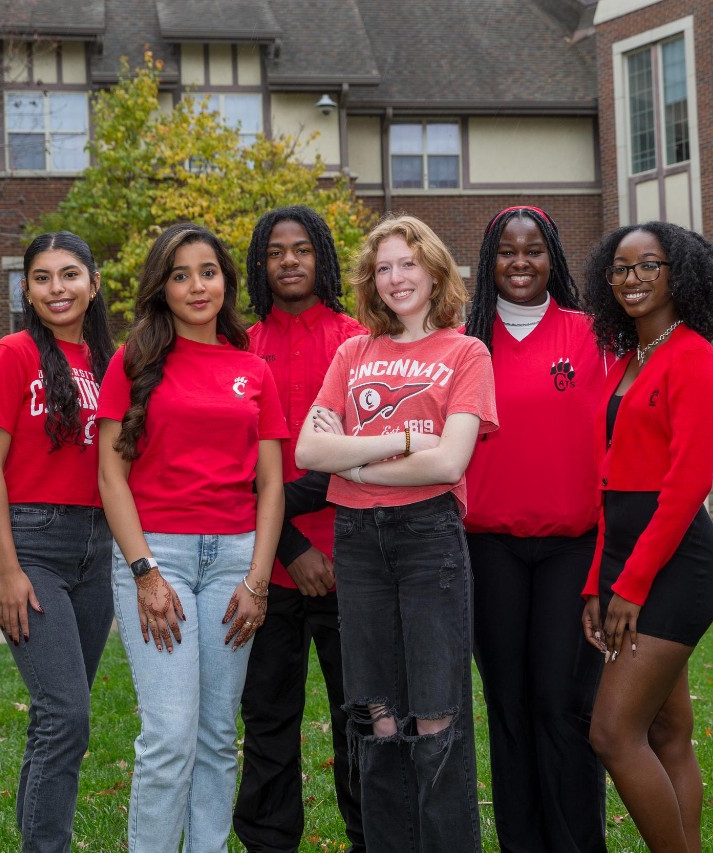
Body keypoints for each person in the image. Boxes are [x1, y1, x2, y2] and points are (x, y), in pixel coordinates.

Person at [295, 214, 497, 853]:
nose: (395, 278)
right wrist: (402, 439)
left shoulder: (467, 352)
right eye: (383, 268)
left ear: (435, 271)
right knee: (377, 716)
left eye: (407, 263)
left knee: (436, 715)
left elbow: (449, 463)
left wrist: (351, 458)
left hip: (428, 539)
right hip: (356, 541)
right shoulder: (353, 352)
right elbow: (307, 449)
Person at [96, 223, 287, 853]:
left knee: (214, 734)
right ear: (163, 288)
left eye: (207, 271)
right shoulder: (134, 363)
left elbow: (271, 486)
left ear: (226, 282)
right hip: (160, 558)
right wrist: (145, 571)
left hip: (234, 561)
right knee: (170, 733)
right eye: (180, 275)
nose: (196, 285)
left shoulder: (253, 370)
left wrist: (258, 581)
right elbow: (111, 475)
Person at [580, 221, 713, 852]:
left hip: (675, 564)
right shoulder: (626, 361)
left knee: (613, 733)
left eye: (650, 265)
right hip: (625, 557)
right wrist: (598, 582)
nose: (633, 278)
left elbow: (686, 486)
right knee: (669, 733)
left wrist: (632, 586)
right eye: (621, 267)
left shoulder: (694, 355)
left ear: (679, 274)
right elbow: (606, 491)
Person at [461, 205, 608, 853]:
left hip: (571, 549)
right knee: (509, 710)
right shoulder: (466, 343)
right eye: (506, 251)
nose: (520, 262)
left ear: (554, 258)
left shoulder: (593, 334)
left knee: (562, 703)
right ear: (489, 261)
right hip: (487, 548)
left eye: (534, 250)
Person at [0, 231, 115, 853]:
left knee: (56, 719)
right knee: (67, 716)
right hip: (32, 544)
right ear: (26, 289)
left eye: (69, 274)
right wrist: (8, 568)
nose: (57, 289)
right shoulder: (13, 353)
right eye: (41, 277)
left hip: (99, 549)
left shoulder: (112, 362)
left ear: (94, 282)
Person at [234, 206, 366, 853]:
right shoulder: (239, 348)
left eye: (302, 249)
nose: (289, 261)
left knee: (363, 722)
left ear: (323, 258)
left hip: (353, 565)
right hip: (263, 574)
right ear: (260, 265)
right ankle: (268, 844)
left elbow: (366, 453)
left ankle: (371, 837)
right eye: (275, 252)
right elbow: (233, 465)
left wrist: (311, 539)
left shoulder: (360, 341)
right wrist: (290, 544)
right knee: (268, 722)